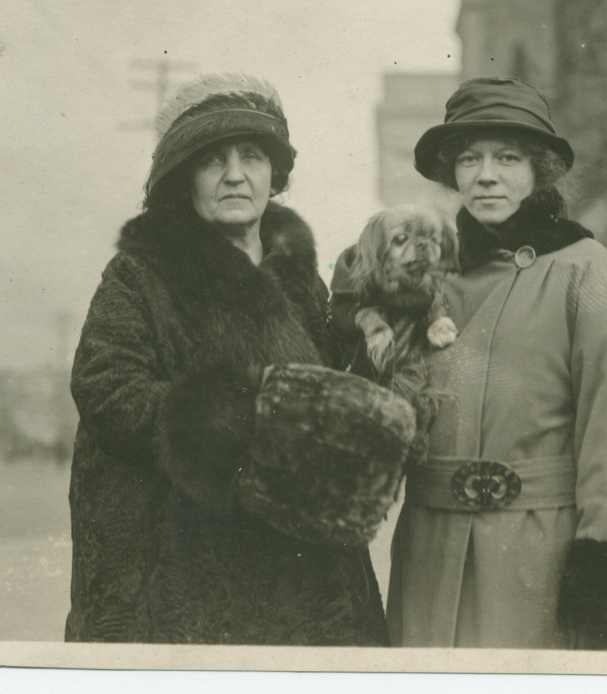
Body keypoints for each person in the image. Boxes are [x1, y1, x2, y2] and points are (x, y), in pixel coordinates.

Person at [65, 74, 402, 645]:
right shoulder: (143, 272)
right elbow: (107, 385)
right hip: (186, 562)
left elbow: (323, 390)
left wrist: (374, 353)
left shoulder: (297, 275)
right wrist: (252, 429)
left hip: (301, 566)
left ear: (274, 175)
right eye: (211, 161)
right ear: (183, 180)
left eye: (252, 156)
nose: (235, 175)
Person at [384, 77, 607, 649]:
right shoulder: (422, 273)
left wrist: (605, 565)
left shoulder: (585, 268)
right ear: (452, 172)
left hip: (539, 553)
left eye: (507, 158)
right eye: (469, 158)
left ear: (538, 169)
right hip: (430, 551)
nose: (486, 175)